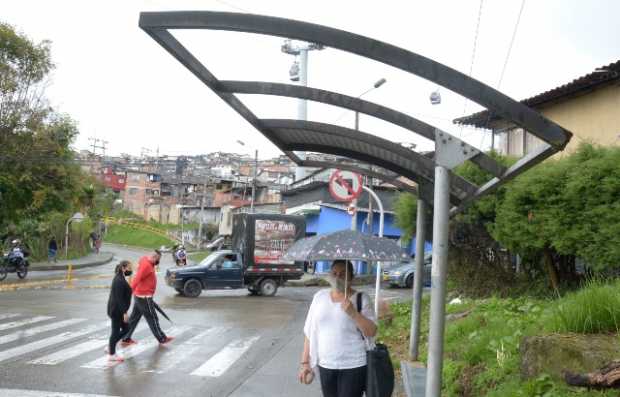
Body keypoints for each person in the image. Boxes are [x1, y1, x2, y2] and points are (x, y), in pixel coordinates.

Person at [299, 260, 377, 397]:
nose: (338, 277)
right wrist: (305, 363)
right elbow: (309, 332)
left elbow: (372, 332)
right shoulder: (319, 297)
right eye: (334, 273)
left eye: (343, 274)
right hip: (325, 364)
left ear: (351, 277)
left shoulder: (361, 299)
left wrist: (353, 313)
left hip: (354, 365)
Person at [121, 250, 173, 346]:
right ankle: (162, 338)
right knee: (152, 318)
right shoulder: (146, 266)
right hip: (144, 297)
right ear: (154, 257)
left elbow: (140, 270)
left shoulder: (144, 259)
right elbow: (137, 278)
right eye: (158, 260)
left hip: (139, 296)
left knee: (134, 318)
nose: (158, 262)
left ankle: (125, 338)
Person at [106, 260, 133, 362]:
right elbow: (119, 298)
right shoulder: (119, 280)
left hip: (118, 310)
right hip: (116, 311)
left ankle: (110, 346)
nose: (131, 271)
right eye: (129, 269)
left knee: (127, 328)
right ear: (123, 268)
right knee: (115, 331)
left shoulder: (121, 278)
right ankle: (112, 354)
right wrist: (124, 313)